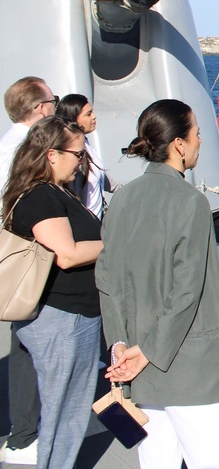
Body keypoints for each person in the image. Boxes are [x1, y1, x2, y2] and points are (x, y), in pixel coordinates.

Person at [96, 100, 219, 466]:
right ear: (179, 145)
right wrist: (149, 351)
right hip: (192, 369)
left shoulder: (121, 200)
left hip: (138, 365)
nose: (199, 141)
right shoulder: (190, 202)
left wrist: (121, 345)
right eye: (196, 134)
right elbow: (187, 290)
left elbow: (107, 278)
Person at [5, 116, 102, 469]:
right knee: (65, 416)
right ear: (51, 155)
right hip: (62, 319)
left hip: (65, 316)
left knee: (65, 412)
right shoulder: (41, 197)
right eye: (78, 154)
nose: (82, 161)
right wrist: (112, 244)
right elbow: (67, 254)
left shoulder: (52, 191)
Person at [0, 76, 56, 466]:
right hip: (28, 259)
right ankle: (24, 436)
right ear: (39, 108)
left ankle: (24, 432)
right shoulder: (24, 150)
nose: (55, 107)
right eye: (52, 102)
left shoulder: (7, 143)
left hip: (16, 259)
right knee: (28, 345)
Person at [56, 93, 113, 218]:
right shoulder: (72, 153)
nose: (94, 117)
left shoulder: (86, 143)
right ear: (74, 118)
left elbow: (102, 178)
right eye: (88, 114)